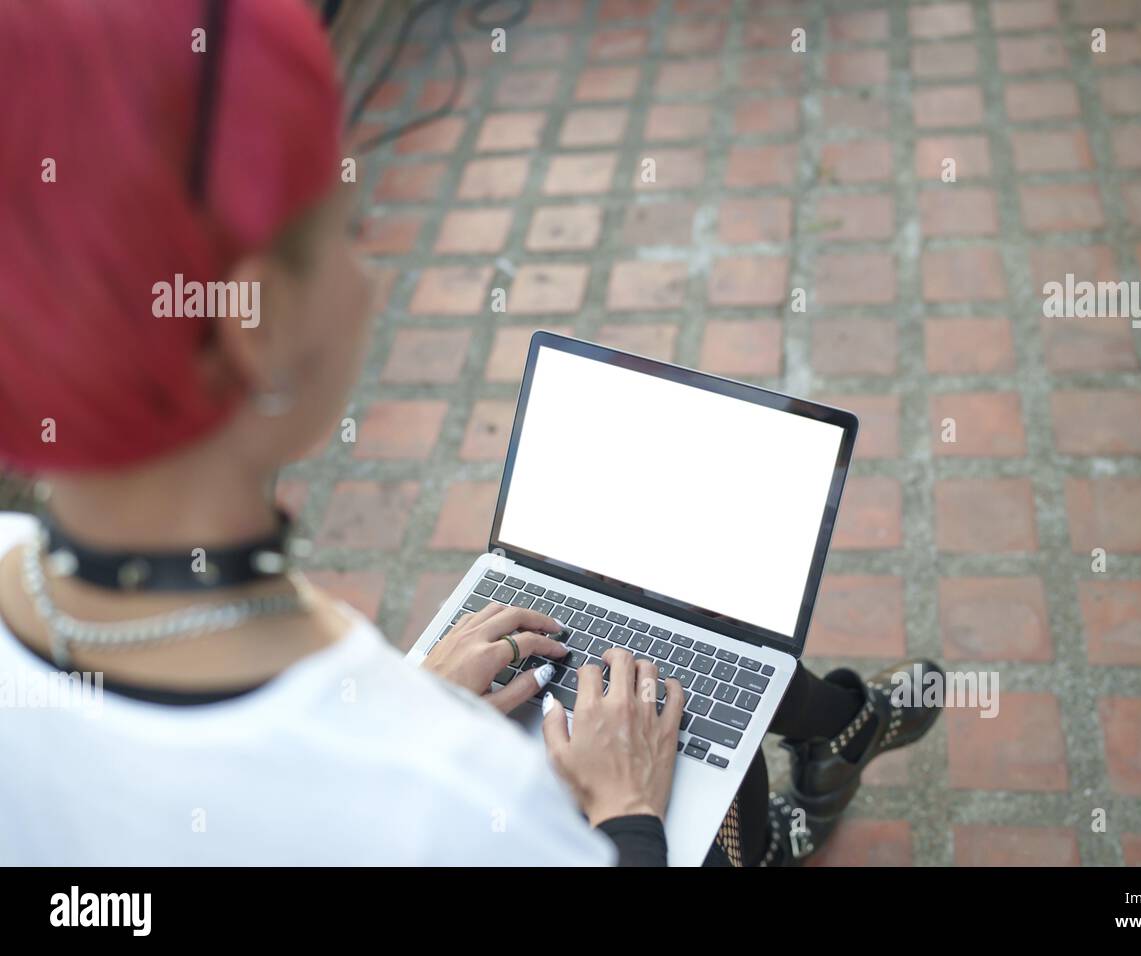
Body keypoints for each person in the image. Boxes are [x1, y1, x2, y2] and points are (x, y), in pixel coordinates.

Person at [0, 0, 940, 867]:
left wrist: (413, 706)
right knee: (696, 718)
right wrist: (627, 815)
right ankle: (790, 806)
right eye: (349, 231)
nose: (369, 280)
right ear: (256, 319)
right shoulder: (452, 806)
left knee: (699, 640)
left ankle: (830, 735)